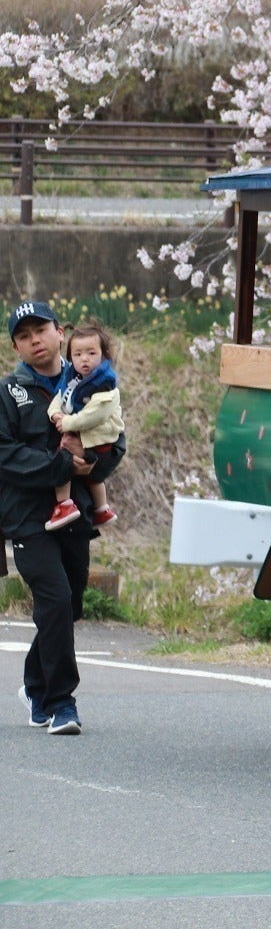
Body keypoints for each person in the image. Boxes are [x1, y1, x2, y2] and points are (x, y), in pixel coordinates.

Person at [3, 301, 125, 737]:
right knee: (53, 599)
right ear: (16, 346)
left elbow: (115, 438)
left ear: (60, 333)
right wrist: (59, 469)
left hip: (75, 514)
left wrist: (95, 465)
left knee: (69, 604)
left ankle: (35, 684)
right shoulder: (9, 392)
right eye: (23, 335)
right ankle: (62, 703)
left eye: (41, 330)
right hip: (26, 517)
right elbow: (5, 454)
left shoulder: (90, 381)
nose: (34, 340)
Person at [45, 323, 125, 532]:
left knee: (62, 460)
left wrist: (68, 423)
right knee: (93, 478)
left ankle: (64, 505)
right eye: (78, 354)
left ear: (104, 356)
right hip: (90, 438)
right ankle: (101, 509)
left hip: (100, 439)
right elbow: (59, 397)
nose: (84, 359)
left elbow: (94, 415)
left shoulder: (105, 383)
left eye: (91, 353)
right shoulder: (74, 379)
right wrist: (55, 413)